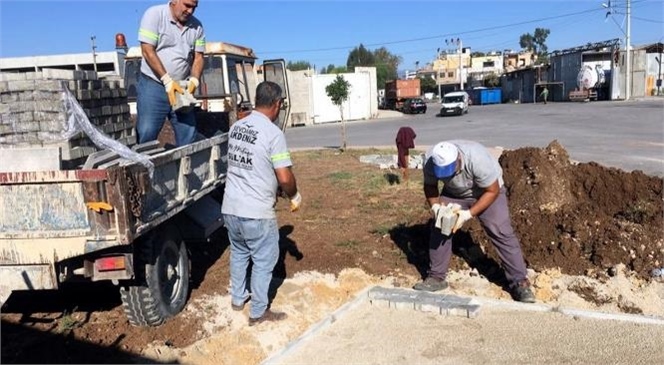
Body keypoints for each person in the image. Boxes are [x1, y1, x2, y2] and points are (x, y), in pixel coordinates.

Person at [414, 140, 536, 303]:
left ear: (458, 160)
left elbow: (492, 191)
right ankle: (436, 278)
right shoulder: (431, 160)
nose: (447, 176)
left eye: (450, 172)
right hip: (454, 193)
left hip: (486, 191)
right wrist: (436, 208)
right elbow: (430, 186)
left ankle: (520, 282)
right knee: (441, 226)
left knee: (500, 230)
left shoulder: (477, 158)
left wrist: (468, 214)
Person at [221, 81, 302, 326]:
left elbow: (249, 164)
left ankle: (237, 299)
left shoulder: (237, 127)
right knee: (264, 259)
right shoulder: (273, 134)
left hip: (230, 208)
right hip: (256, 211)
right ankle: (257, 312)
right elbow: (285, 177)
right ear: (276, 104)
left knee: (239, 252)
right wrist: (294, 195)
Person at [136, 0, 205, 147]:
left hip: (181, 87)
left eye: (194, 7)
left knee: (188, 133)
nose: (190, 11)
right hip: (154, 85)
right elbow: (147, 51)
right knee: (147, 132)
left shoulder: (197, 26)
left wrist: (194, 81)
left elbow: (199, 57)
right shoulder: (154, 15)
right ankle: (144, 168)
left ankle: (187, 169)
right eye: (187, 6)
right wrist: (167, 80)